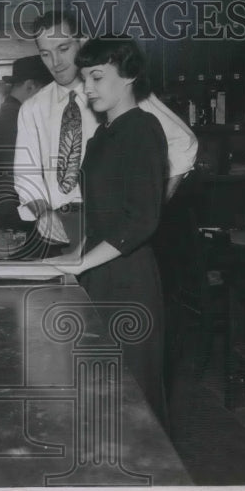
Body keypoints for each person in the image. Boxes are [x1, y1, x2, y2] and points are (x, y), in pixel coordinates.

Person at [53, 36, 169, 429]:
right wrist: (72, 261)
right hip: (100, 276)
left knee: (135, 401)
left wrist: (84, 262)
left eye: (98, 77)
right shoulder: (102, 136)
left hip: (130, 281)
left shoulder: (143, 129)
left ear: (130, 76)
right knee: (102, 394)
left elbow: (140, 220)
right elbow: (102, 217)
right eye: (84, 78)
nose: (87, 88)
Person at [12, 9, 197, 252]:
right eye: (45, 54)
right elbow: (26, 176)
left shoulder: (118, 91)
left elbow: (184, 143)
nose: (55, 62)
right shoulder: (32, 109)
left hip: (110, 230)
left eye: (64, 49)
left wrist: (151, 209)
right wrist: (43, 212)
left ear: (83, 41)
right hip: (58, 231)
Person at [0, 55, 52, 231]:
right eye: (46, 91)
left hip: (12, 212)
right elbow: (20, 178)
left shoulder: (9, 116)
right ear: (30, 86)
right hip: (17, 216)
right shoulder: (17, 120)